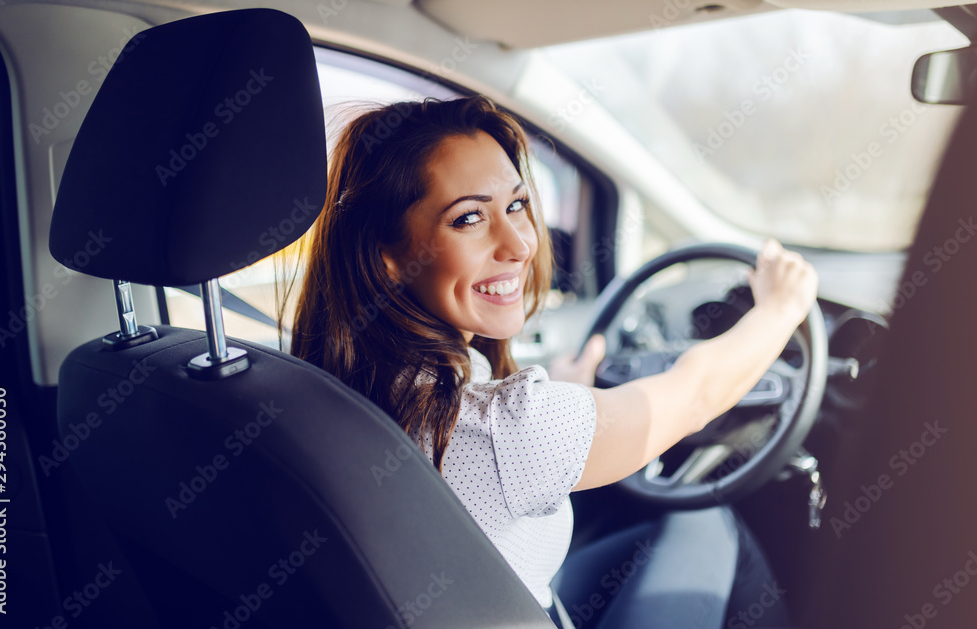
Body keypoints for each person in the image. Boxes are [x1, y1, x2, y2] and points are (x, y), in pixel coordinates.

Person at [285, 96, 817, 628]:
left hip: (511, 604)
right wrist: (780, 309)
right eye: (468, 218)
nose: (518, 244)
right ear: (389, 257)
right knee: (710, 526)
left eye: (516, 205)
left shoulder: (323, 390)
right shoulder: (507, 426)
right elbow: (696, 395)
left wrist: (572, 400)